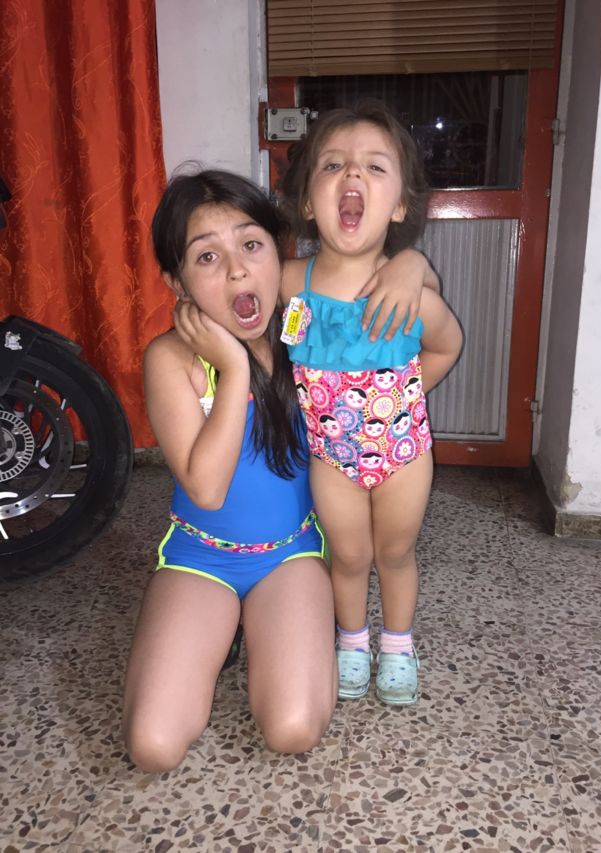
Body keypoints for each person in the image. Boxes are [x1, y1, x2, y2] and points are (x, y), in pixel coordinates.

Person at [122, 168, 436, 772]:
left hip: (292, 555)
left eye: (251, 245)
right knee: (153, 747)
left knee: (293, 729)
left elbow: (386, 300)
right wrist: (234, 370)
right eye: (206, 256)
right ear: (176, 281)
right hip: (201, 555)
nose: (237, 271)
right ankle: (226, 629)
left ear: (280, 254)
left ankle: (255, 629)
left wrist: (413, 263)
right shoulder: (170, 359)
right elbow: (206, 488)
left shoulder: (306, 330)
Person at [280, 101, 464, 706]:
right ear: (309, 201)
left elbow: (447, 344)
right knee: (350, 554)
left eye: (375, 167)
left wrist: (404, 398)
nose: (353, 174)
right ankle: (353, 642)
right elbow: (238, 291)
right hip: (330, 457)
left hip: (403, 454)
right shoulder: (291, 281)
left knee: (395, 552)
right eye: (333, 164)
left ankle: (399, 646)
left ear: (400, 205)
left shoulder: (409, 291)